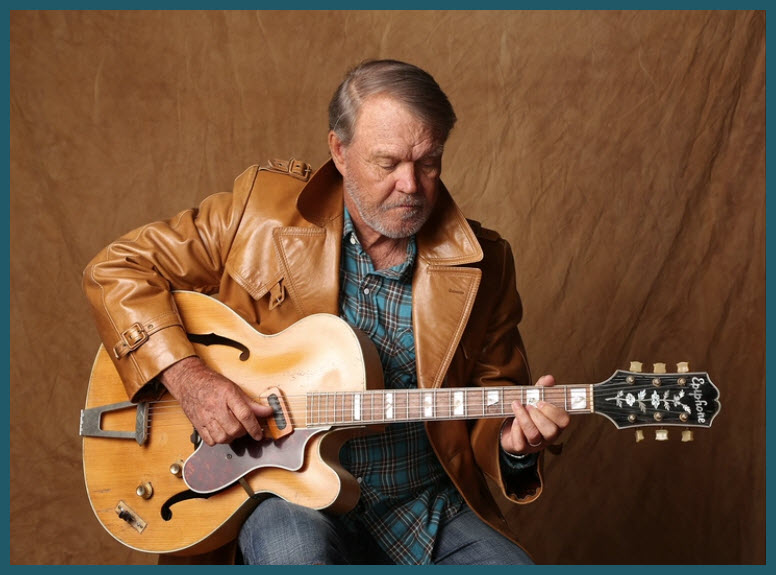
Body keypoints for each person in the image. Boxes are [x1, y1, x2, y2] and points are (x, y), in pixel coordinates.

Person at [83, 59, 570, 565]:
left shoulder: (486, 263)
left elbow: (495, 395)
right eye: (388, 163)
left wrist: (515, 447)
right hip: (281, 497)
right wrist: (190, 380)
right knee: (293, 555)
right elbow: (117, 269)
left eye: (428, 162)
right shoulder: (259, 213)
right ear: (339, 151)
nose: (411, 184)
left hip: (422, 506)